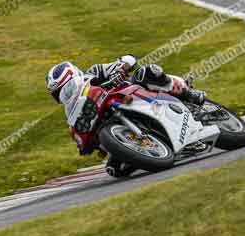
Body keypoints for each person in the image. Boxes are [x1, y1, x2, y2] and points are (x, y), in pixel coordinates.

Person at [46, 57, 205, 176]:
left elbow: (128, 59)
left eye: (66, 89)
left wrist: (120, 69)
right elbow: (84, 144)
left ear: (75, 77)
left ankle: (189, 94)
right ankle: (154, 152)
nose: (65, 95)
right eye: (59, 95)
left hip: (134, 95)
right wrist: (86, 144)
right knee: (114, 170)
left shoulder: (94, 73)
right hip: (117, 125)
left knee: (147, 72)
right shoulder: (72, 115)